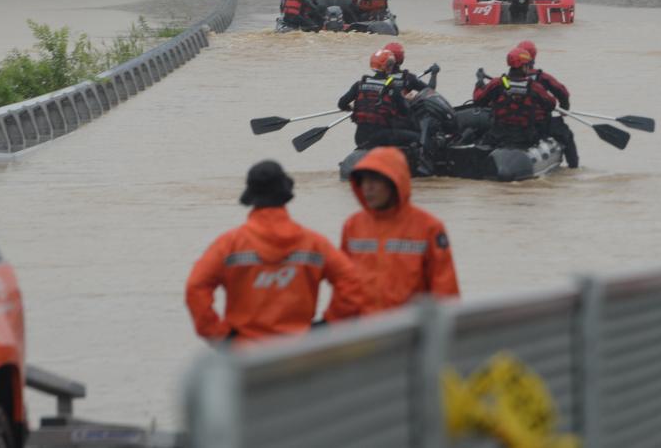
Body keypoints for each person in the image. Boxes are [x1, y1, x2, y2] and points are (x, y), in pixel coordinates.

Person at [186, 160, 364, 343]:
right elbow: (351, 282)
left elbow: (196, 287)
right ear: (285, 194)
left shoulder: (229, 244)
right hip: (299, 349)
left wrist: (219, 335)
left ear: (250, 195)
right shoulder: (314, 243)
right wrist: (328, 324)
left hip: (246, 354)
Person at [326, 146, 459, 318]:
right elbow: (345, 286)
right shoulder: (353, 225)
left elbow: (445, 290)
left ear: (394, 182)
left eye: (375, 181)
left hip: (407, 332)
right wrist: (332, 323)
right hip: (364, 331)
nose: (368, 188)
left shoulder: (428, 227)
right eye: (364, 181)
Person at [472, 47, 555, 148]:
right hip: (525, 137)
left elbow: (478, 100)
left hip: (498, 136)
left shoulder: (500, 83)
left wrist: (479, 83)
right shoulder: (534, 87)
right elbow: (551, 105)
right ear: (524, 66)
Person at [338, 49, 420, 151]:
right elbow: (405, 112)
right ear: (389, 67)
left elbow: (341, 104)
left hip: (360, 137)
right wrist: (407, 100)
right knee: (417, 137)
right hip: (382, 137)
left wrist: (352, 108)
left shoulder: (359, 85)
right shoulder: (392, 88)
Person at [517, 40, 579, 168]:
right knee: (566, 134)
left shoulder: (507, 79)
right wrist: (563, 109)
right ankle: (574, 167)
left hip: (513, 123)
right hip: (539, 124)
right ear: (534, 57)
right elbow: (562, 92)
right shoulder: (542, 78)